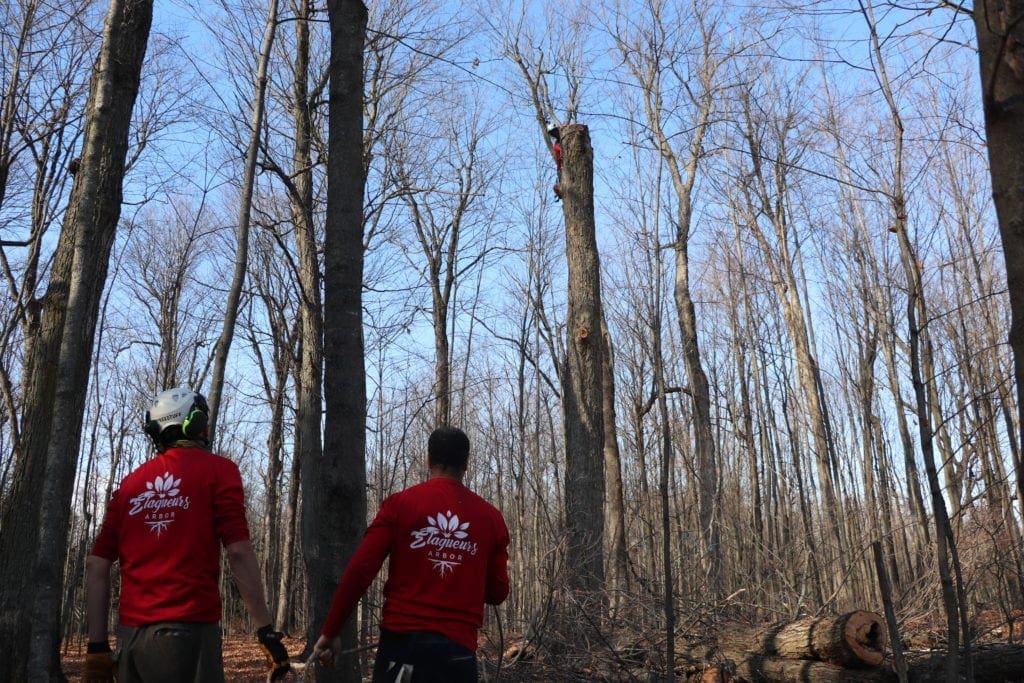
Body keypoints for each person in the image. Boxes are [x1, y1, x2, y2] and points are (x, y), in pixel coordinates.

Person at [84, 387, 290, 682]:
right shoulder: (219, 471)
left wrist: (97, 647)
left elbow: (96, 564)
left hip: (130, 640)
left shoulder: (129, 485)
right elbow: (238, 552)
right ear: (194, 423)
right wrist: (265, 630)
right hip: (187, 635)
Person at [313, 426, 510, 682]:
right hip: (456, 655)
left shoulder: (400, 505)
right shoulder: (491, 518)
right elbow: (498, 593)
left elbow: (360, 570)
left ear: (428, 460)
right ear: (466, 463)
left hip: (402, 647)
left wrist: (331, 631)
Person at [547, 123, 563, 200]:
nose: (555, 134)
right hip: (561, 169)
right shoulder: (556, 145)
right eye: (552, 133)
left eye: (555, 131)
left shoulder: (564, 140)